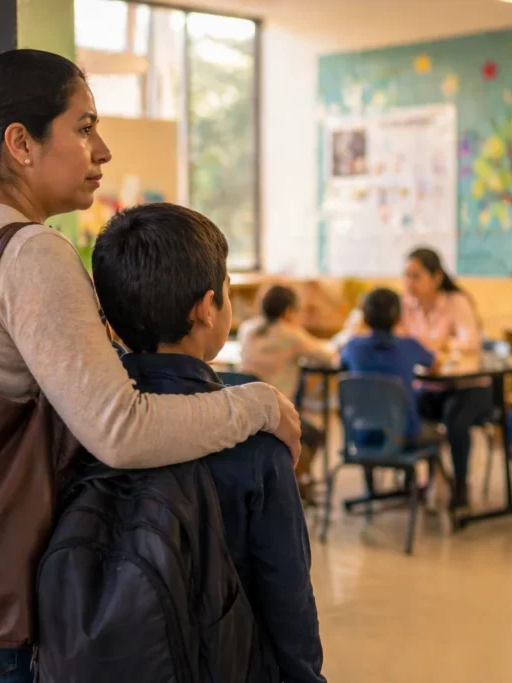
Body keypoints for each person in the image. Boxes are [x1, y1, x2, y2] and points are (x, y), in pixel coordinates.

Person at [0, 49, 301, 683]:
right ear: (21, 144)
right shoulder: (29, 250)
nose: (103, 151)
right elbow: (121, 431)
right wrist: (258, 403)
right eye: (85, 127)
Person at [91, 203, 326, 683]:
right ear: (206, 308)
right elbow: (286, 593)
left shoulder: (86, 420)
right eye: (229, 294)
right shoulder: (259, 446)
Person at [401, 247, 489, 510]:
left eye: (416, 276)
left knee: (455, 419)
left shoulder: (456, 301)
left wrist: (439, 344)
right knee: (404, 408)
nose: (409, 283)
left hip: (468, 386)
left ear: (437, 277)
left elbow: (470, 342)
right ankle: (415, 481)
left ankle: (460, 486)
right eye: (406, 275)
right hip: (429, 385)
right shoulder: (407, 305)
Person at [239, 285, 338, 500]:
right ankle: (292, 482)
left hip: (245, 411)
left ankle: (287, 480)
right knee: (314, 434)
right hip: (276, 415)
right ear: (288, 312)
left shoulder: (247, 330)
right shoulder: (290, 334)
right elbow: (328, 356)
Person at [339, 288, 437, 447]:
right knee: (435, 434)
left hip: (362, 434)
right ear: (399, 318)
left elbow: (341, 363)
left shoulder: (352, 347)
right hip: (404, 435)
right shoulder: (410, 346)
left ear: (364, 318)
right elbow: (434, 363)